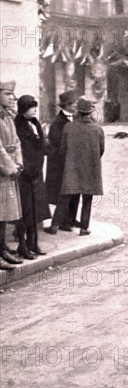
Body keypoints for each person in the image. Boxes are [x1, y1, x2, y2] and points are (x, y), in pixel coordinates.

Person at [59, 97, 104, 236]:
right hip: (91, 168)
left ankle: (69, 221)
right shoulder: (97, 129)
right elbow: (101, 150)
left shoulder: (68, 127)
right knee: (87, 198)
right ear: (90, 112)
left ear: (77, 111)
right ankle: (84, 227)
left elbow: (62, 149)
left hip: (72, 167)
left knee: (73, 194)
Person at [14, 95, 50, 257]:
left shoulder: (35, 124)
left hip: (36, 173)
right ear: (23, 109)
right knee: (24, 211)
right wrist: (28, 170)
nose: (35, 110)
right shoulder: (18, 125)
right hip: (25, 174)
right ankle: (22, 245)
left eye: (35, 107)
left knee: (35, 210)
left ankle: (33, 243)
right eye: (31, 107)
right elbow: (21, 151)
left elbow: (41, 146)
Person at [44, 90, 79, 235]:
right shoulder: (57, 123)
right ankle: (62, 221)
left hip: (74, 161)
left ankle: (71, 218)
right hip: (62, 163)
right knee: (64, 192)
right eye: (74, 104)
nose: (76, 106)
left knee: (76, 190)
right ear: (67, 106)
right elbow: (57, 144)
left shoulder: (76, 119)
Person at [0, 81, 24, 270]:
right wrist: (10, 166)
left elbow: (16, 141)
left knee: (5, 213)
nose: (12, 98)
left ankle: (2, 248)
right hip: (2, 171)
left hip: (8, 172)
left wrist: (18, 162)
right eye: (8, 94)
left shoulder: (7, 116)